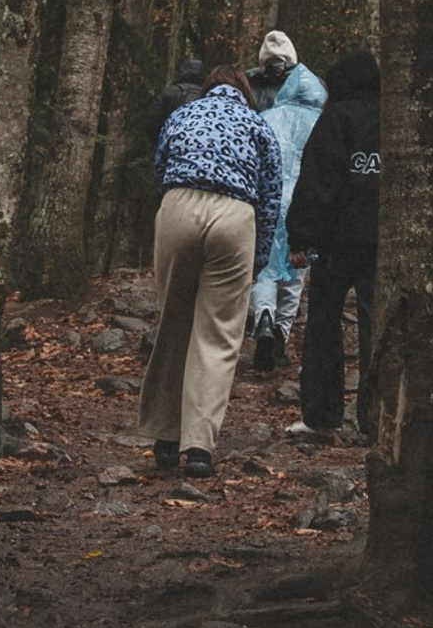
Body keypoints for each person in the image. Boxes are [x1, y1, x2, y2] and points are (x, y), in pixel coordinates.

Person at [137, 64, 283, 480]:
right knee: (218, 333)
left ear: (207, 89)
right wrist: (257, 259)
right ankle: (199, 446)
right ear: (243, 91)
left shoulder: (181, 115)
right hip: (235, 215)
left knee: (174, 323)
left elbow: (159, 167)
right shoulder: (258, 126)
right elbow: (271, 197)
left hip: (180, 204)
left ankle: (165, 436)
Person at [286, 47, 381, 439]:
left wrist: (301, 237)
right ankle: (376, 417)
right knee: (377, 326)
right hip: (381, 241)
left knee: (324, 324)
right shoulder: (393, 121)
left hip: (337, 242)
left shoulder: (334, 120)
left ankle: (322, 416)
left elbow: (317, 183)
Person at [250, 35, 326, 369]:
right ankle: (281, 333)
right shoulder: (321, 122)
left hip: (270, 200)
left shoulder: (268, 118)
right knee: (297, 271)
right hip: (305, 203)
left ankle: (263, 318)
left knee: (266, 267)